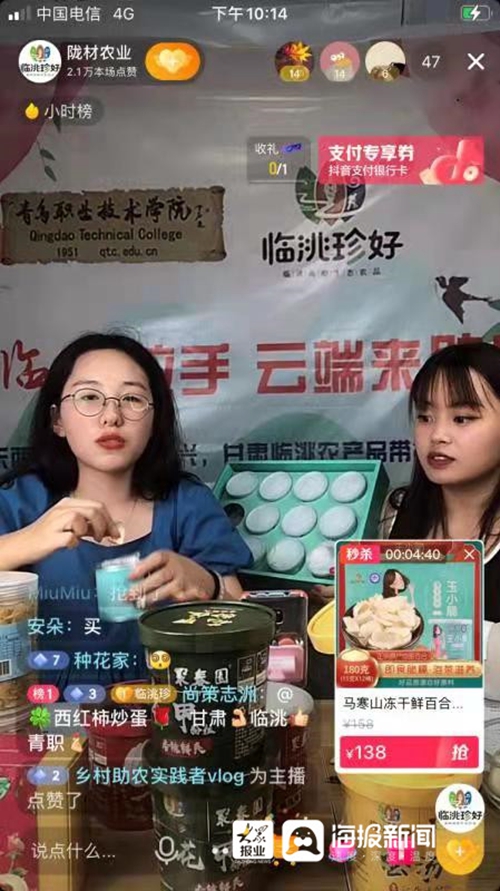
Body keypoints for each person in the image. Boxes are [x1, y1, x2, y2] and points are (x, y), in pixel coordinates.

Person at [0, 332, 252, 687]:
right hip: (44, 708)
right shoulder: (19, 501)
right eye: (89, 397)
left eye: (132, 399)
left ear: (154, 421)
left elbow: (246, 626)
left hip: (164, 703)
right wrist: (26, 541)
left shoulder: (187, 503)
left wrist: (209, 586)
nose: (111, 416)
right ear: (57, 420)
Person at [380, 341, 500, 699]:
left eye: (462, 418)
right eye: (425, 417)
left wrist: (407, 629)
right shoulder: (396, 513)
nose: (437, 435)